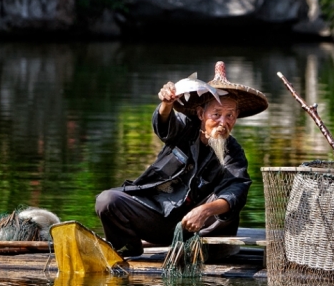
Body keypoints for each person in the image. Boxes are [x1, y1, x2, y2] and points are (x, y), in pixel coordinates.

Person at [95, 61, 268, 257]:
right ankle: (129, 247)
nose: (223, 122)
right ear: (201, 114)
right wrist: (166, 103)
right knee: (108, 200)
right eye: (216, 114)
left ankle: (198, 244)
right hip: (160, 217)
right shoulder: (184, 129)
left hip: (201, 228)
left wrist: (205, 211)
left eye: (230, 115)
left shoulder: (234, 153)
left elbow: (236, 190)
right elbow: (164, 124)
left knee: (226, 204)